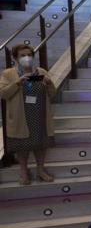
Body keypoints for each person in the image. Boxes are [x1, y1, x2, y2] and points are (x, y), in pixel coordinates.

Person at [0, 44, 57, 185]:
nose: (27, 58)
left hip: (40, 113)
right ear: (15, 58)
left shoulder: (41, 71)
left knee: (41, 143)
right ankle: (24, 171)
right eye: (22, 55)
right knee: (22, 144)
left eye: (29, 55)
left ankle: (40, 170)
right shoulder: (9, 73)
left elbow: (52, 94)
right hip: (21, 115)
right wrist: (17, 83)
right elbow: (3, 93)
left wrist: (49, 83)